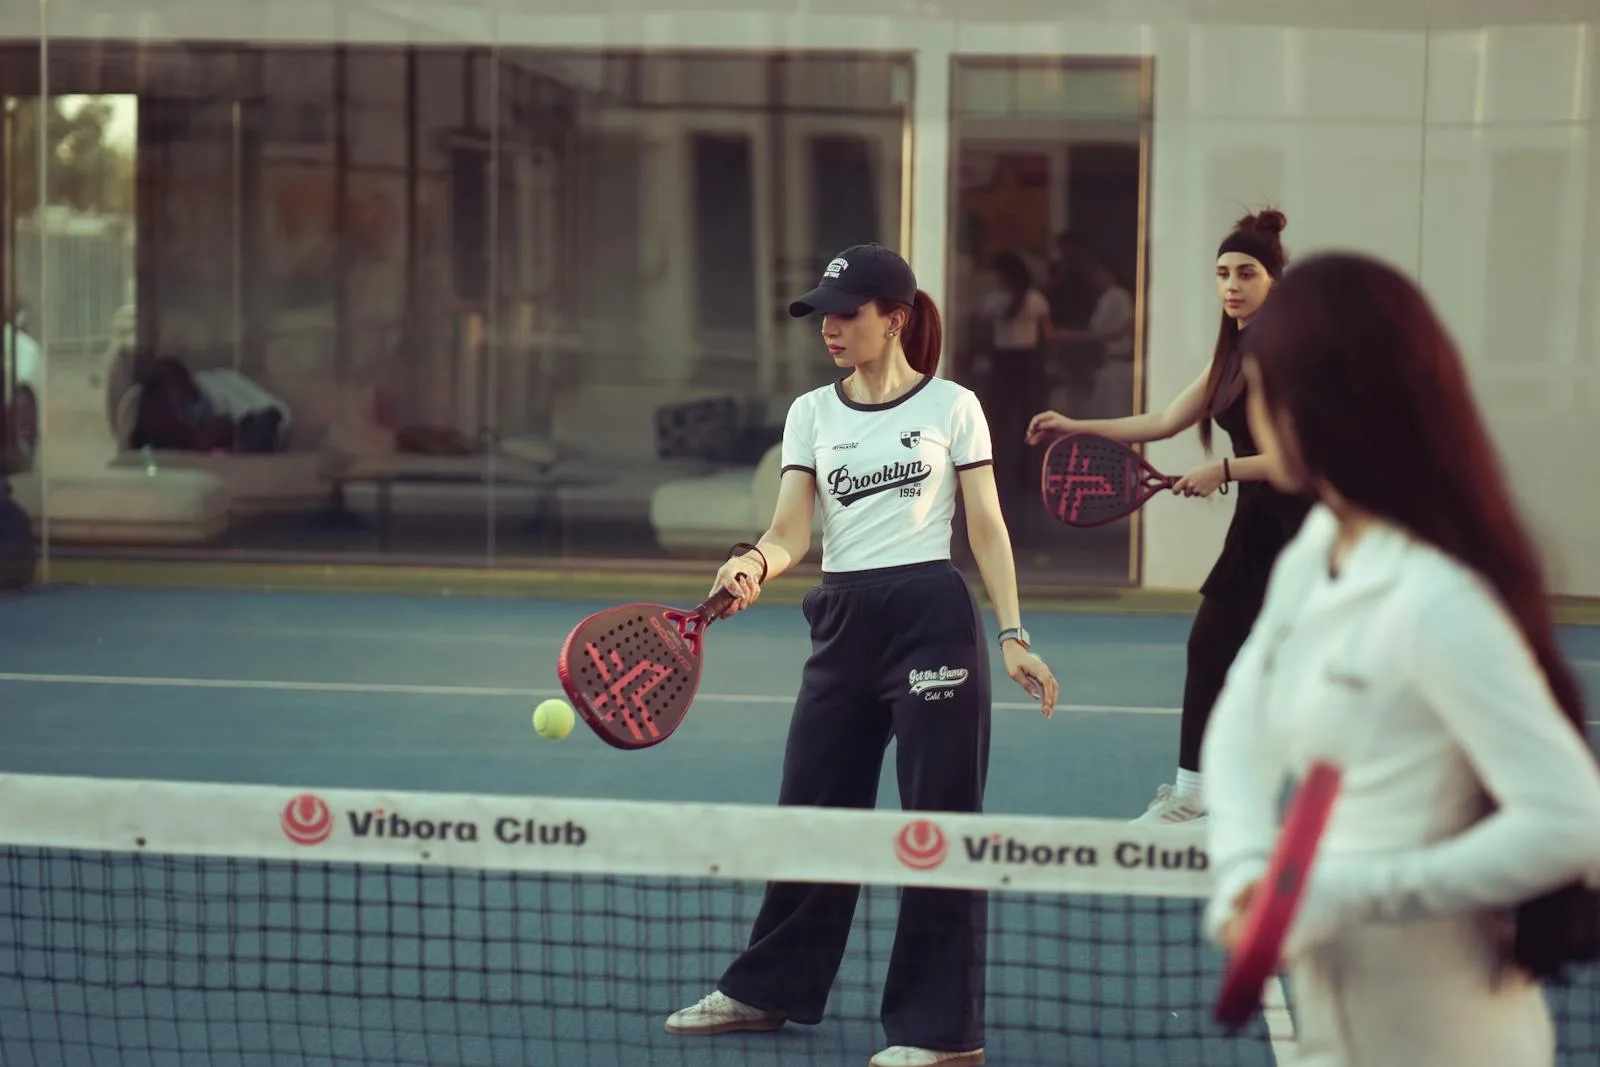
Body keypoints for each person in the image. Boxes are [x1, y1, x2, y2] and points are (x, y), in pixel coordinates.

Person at [664, 242, 1060, 1067]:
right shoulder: (812, 413)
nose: (831, 328)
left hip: (929, 616)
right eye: (823, 315)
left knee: (937, 823)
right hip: (841, 621)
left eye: (847, 314)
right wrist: (753, 564)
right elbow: (789, 533)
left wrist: (1013, 633)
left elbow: (985, 524)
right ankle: (767, 988)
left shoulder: (954, 405)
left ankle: (939, 1030)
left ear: (897, 318)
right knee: (810, 805)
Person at [1201, 250, 1600, 1066]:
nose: (1253, 409)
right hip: (1335, 1023)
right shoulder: (1319, 546)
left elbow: (1572, 822)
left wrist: (1342, 891)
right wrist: (1248, 869)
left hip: (1445, 1036)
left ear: (1307, 406)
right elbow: (1242, 713)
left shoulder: (1436, 599)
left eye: (1261, 388)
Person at [1025, 209, 1309, 824]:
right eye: (1222, 274)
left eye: (1247, 274)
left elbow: (1300, 456)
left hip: (1309, 527)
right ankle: (1195, 796)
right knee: (1213, 647)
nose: (1231, 285)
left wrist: (1225, 471)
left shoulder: (1283, 353)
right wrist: (1077, 424)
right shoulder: (1231, 355)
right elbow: (1161, 421)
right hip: (1260, 524)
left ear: (1274, 283)